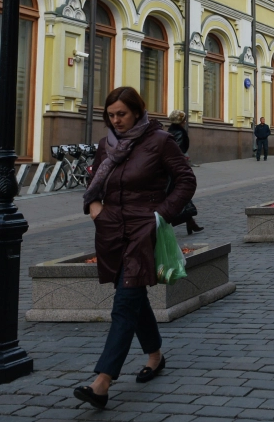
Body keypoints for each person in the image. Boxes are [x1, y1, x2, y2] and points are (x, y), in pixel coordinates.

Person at [74, 86, 197, 410]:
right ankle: (155, 354)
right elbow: (94, 185)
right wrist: (96, 211)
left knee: (125, 302)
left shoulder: (160, 142)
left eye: (122, 114)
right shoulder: (106, 146)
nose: (116, 120)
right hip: (112, 231)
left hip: (144, 230)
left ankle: (102, 381)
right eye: (111, 115)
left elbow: (186, 179)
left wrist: (162, 215)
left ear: (137, 112)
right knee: (134, 296)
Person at [165, 110, 203, 233]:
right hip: (175, 169)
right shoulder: (179, 133)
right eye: (183, 119)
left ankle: (190, 222)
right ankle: (180, 222)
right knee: (178, 195)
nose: (185, 121)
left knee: (179, 194)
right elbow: (177, 152)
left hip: (172, 169)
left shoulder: (170, 131)